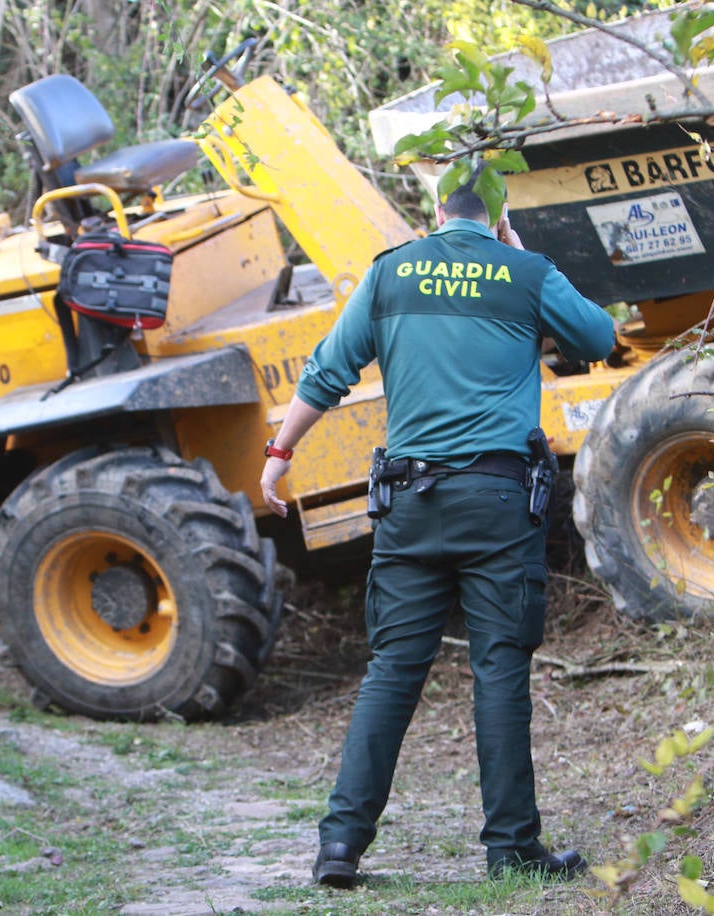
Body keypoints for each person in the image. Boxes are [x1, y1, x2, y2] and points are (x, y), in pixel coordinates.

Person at [258, 165, 616, 887]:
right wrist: (518, 251)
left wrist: (279, 454)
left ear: (433, 209)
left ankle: (340, 847)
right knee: (499, 667)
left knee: (391, 670)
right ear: (498, 213)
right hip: (497, 503)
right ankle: (511, 847)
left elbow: (328, 371)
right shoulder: (525, 272)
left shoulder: (391, 274)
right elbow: (600, 336)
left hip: (409, 507)